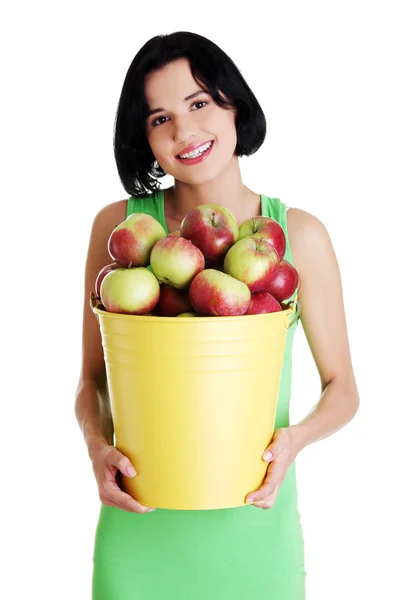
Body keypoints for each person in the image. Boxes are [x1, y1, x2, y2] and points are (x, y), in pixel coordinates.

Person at [75, 31, 360, 600]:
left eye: (199, 104)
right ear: (145, 138)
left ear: (234, 104)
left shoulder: (297, 235)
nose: (184, 132)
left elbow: (343, 389)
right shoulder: (122, 230)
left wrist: (294, 441)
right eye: (159, 118)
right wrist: (96, 449)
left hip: (254, 526)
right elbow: (92, 380)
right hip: (141, 528)